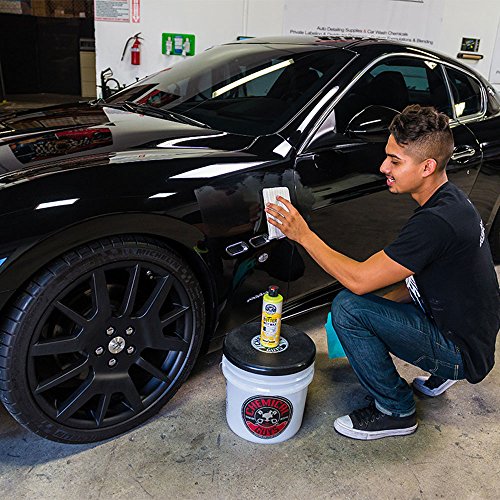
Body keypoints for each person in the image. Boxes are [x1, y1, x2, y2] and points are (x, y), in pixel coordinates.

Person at [265, 105, 500, 440]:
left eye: (395, 161)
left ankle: (396, 410)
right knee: (368, 302)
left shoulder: (434, 224)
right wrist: (377, 309)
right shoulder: (452, 201)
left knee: (347, 308)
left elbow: (358, 280)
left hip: (462, 350)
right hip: (474, 332)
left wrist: (302, 234)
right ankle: (441, 370)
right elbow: (423, 281)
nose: (383, 167)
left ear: (427, 167)